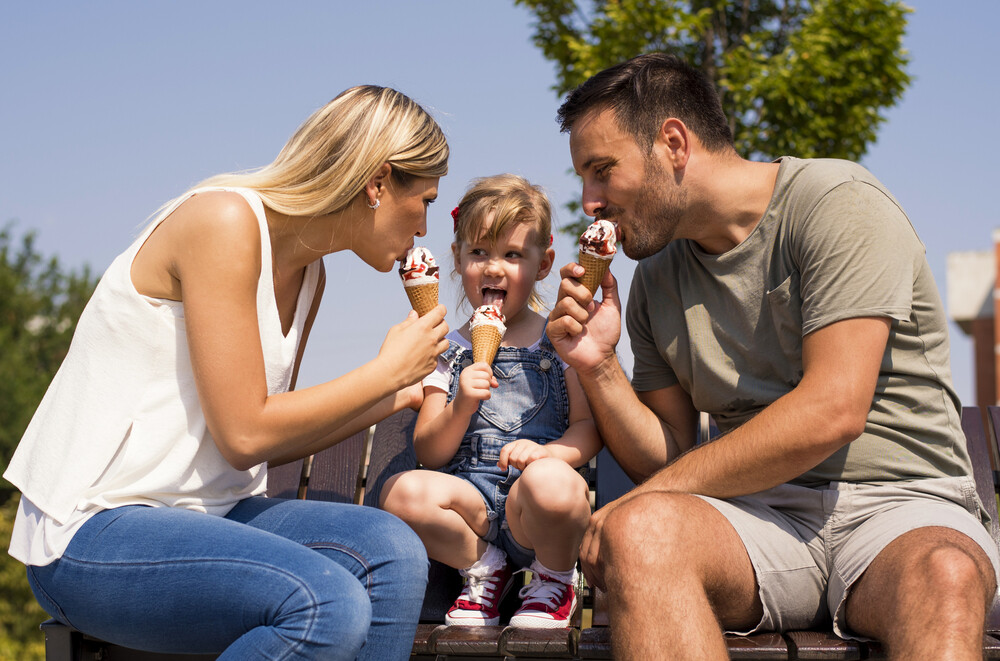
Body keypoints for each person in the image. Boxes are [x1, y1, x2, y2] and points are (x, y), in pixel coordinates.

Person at [546, 52, 1000, 660]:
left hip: (903, 506)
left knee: (946, 575)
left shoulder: (837, 203)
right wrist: (598, 366)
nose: (590, 200)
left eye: (602, 170)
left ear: (673, 143)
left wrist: (642, 497)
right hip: (760, 522)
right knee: (641, 534)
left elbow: (831, 412)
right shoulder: (654, 282)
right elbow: (671, 456)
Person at [3, 85, 451, 660]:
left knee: (392, 550)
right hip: (92, 531)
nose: (422, 230)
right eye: (427, 202)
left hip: (213, 516)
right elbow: (244, 435)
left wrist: (396, 394)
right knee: (325, 603)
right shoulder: (222, 220)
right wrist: (384, 372)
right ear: (379, 182)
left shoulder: (310, 277)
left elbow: (273, 435)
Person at [380, 174, 602, 628]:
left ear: (543, 265)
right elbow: (429, 450)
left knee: (553, 485)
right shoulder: (446, 350)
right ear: (458, 259)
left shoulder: (558, 341)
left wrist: (548, 454)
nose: (494, 267)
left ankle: (554, 578)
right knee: (402, 494)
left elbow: (586, 428)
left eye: (513, 255)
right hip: (474, 508)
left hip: (536, 510)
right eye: (479, 252)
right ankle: (484, 569)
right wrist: (460, 404)